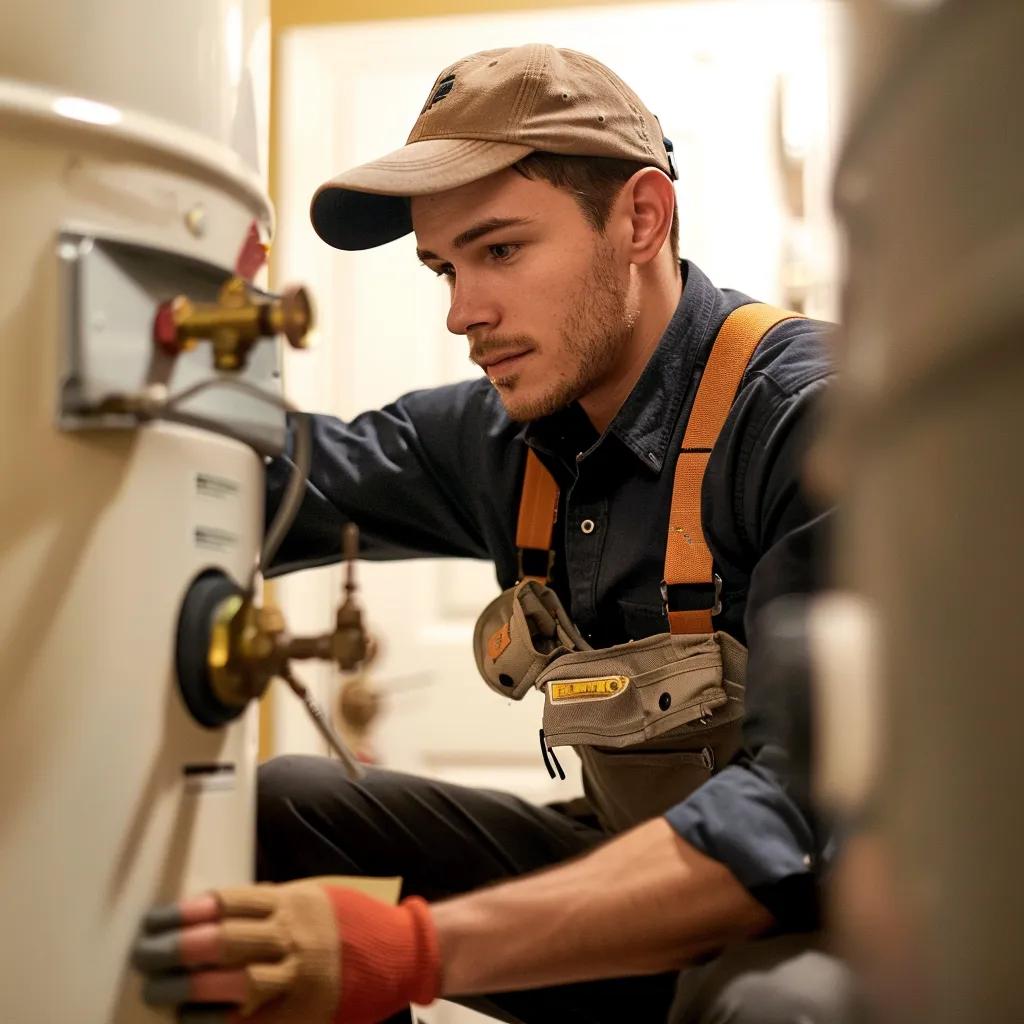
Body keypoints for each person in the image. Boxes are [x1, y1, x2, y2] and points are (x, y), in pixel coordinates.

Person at [134, 44, 853, 1024]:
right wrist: (194, 315)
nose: (464, 313)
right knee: (285, 806)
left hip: (823, 908)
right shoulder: (498, 435)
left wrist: (411, 950)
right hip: (634, 877)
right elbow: (262, 483)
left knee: (775, 1007)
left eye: (501, 250)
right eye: (444, 267)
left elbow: (798, 818)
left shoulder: (809, 417)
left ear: (640, 218)